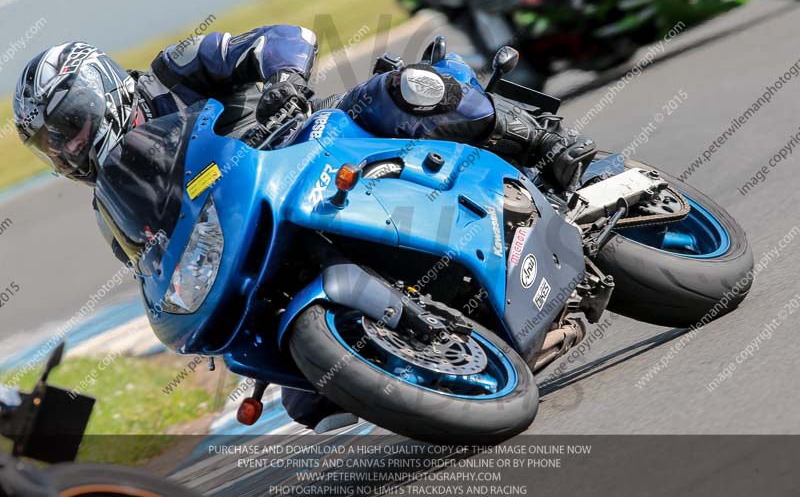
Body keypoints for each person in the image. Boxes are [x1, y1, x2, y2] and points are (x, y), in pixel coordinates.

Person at [13, 25, 595, 432]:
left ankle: (545, 143)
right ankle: (450, 349)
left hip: (308, 148)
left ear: (100, 87)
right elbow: (153, 264)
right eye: (52, 145)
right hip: (256, 235)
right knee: (305, 398)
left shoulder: (174, 71)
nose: (68, 148)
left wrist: (284, 80)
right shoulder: (110, 208)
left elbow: (284, 38)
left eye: (69, 125)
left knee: (393, 94)